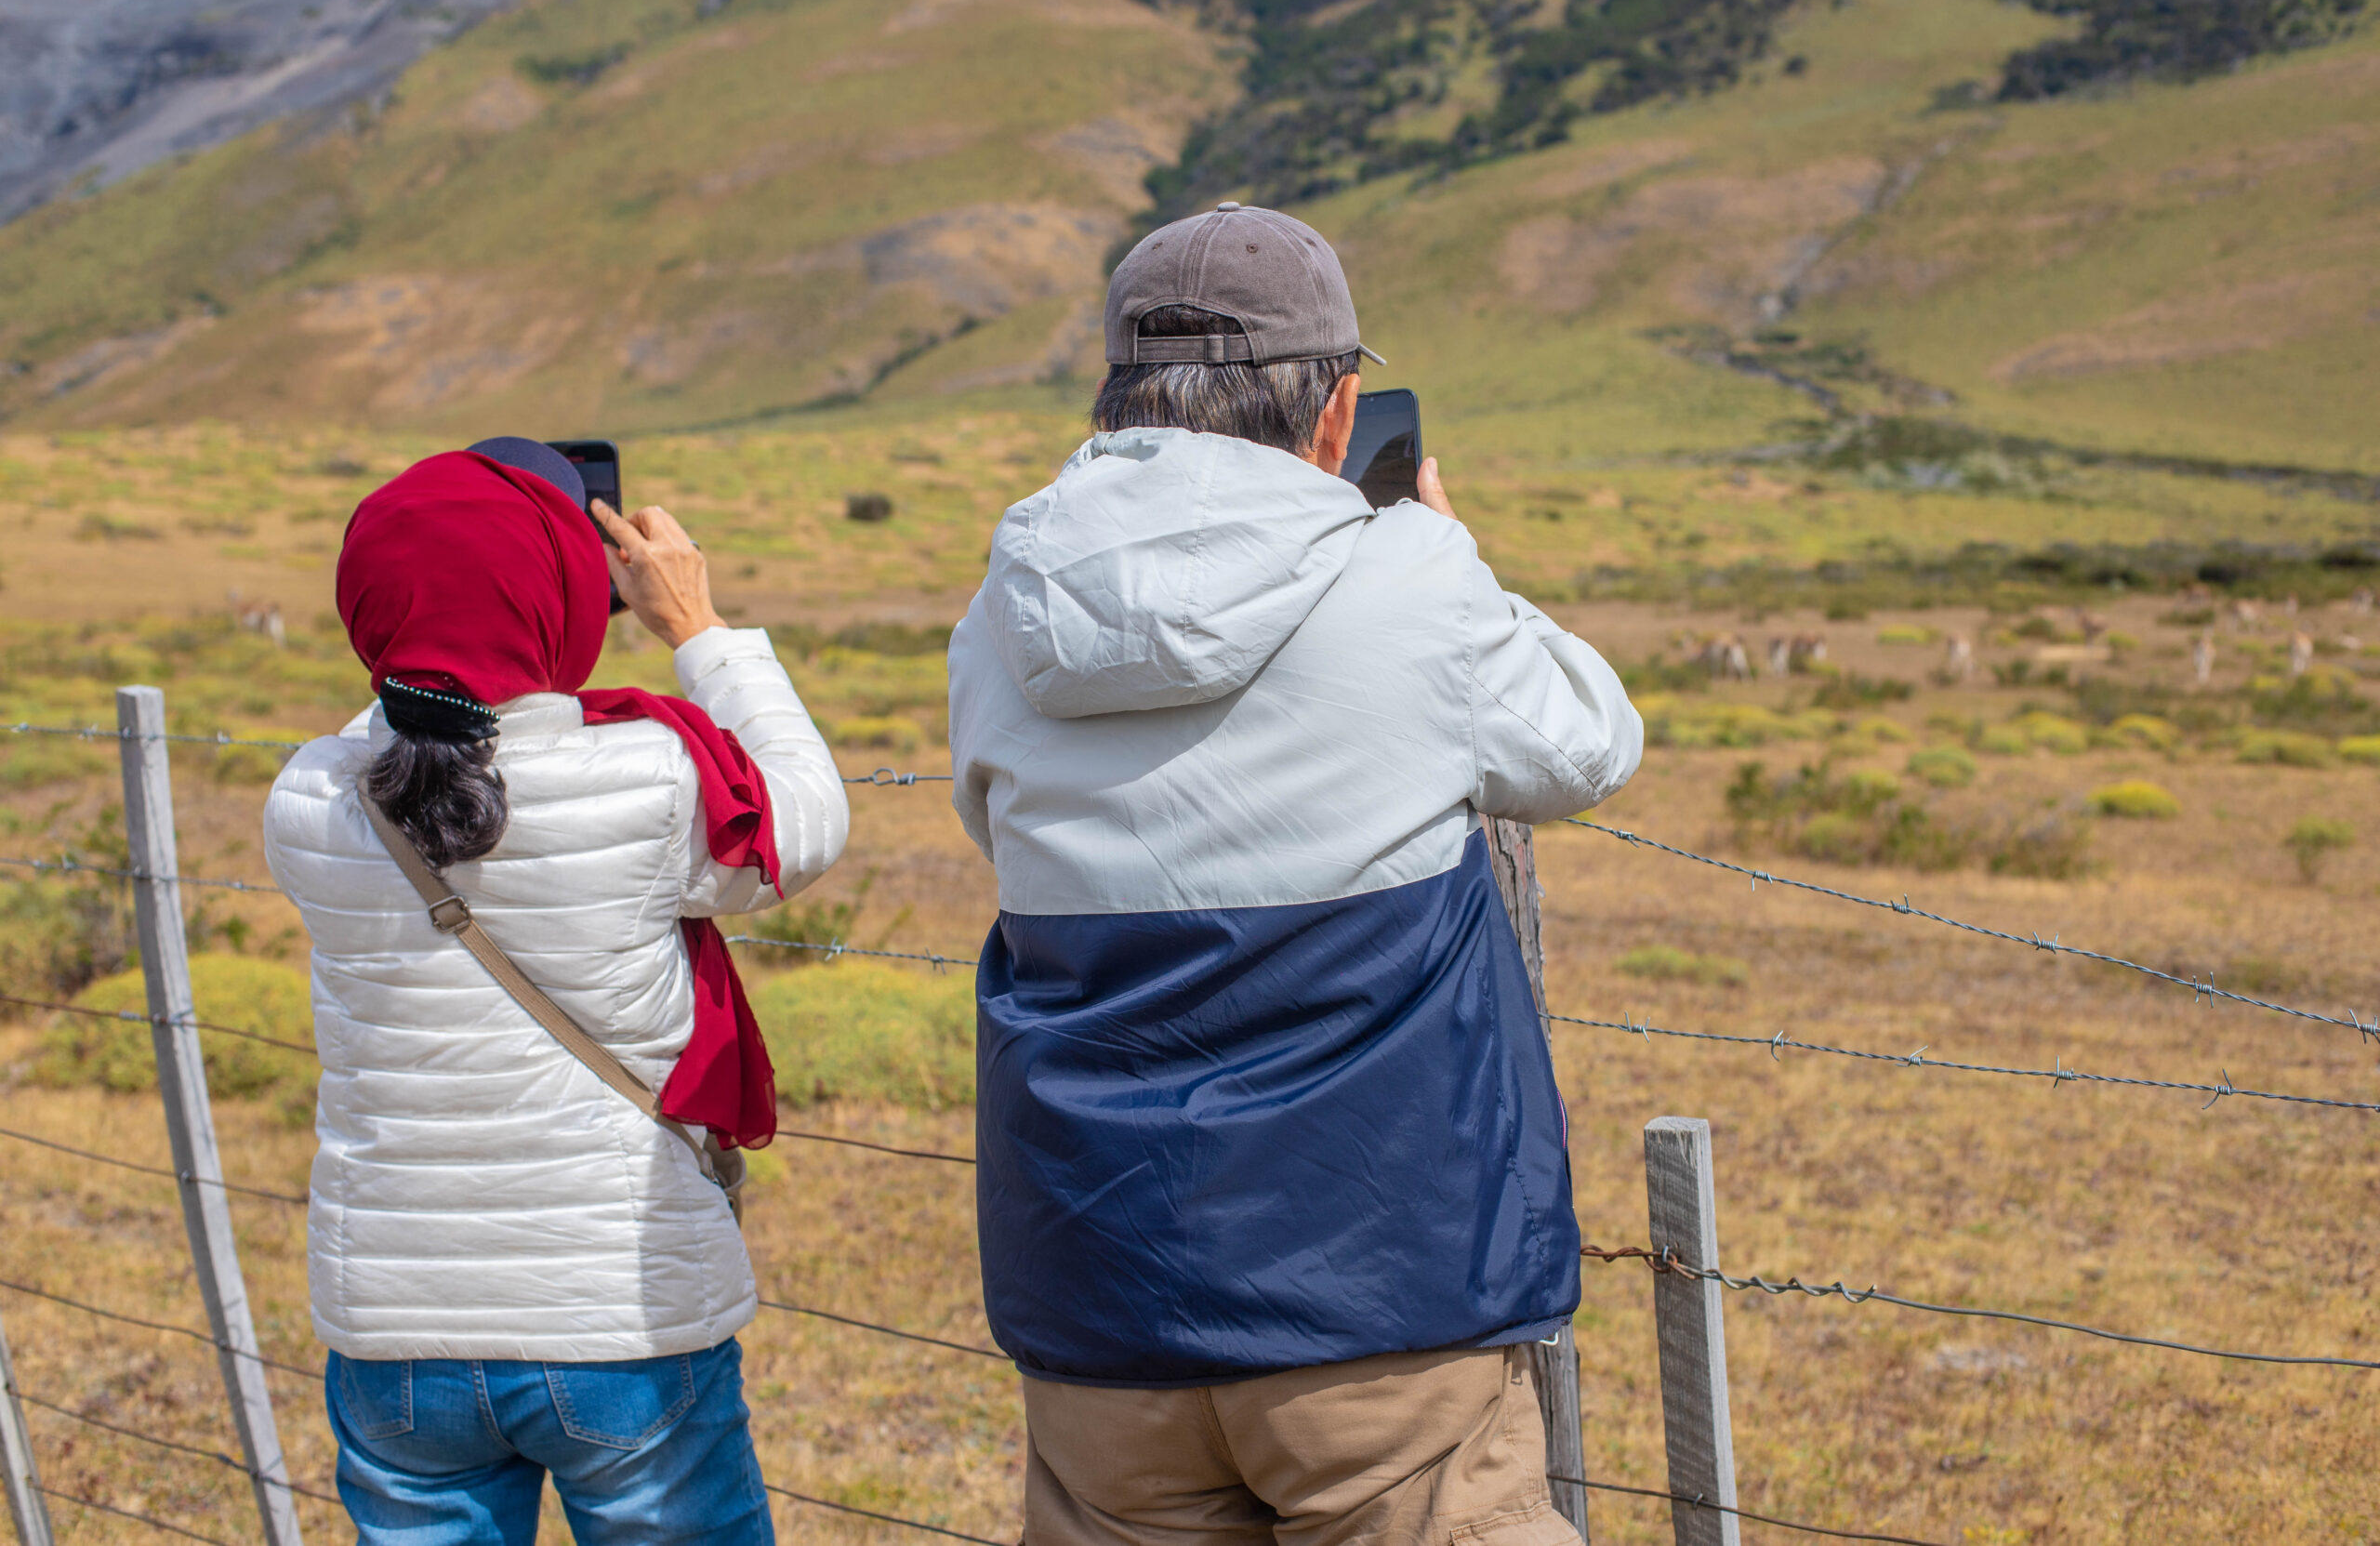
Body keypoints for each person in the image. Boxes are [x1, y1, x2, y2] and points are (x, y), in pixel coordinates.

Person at [947, 204, 1644, 1544]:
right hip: (1381, 1294)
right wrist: (1456, 553)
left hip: (1099, 1292)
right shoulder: (1409, 573)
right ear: (1338, 411)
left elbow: (997, 823)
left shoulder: (1005, 604)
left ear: (1114, 398)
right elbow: (1589, 742)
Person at [263, 439, 849, 1545]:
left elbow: (395, 731)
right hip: (618, 1323)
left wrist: (432, 641)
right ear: (570, 598)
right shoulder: (649, 779)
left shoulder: (307, 799)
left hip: (393, 1328)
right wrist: (698, 631)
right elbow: (804, 819)